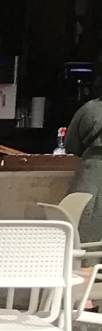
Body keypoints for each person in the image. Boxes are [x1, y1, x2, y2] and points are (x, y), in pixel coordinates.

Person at [62, 92, 102, 245]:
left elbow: (71, 145)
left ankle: (86, 265)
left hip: (91, 172)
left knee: (86, 226)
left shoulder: (90, 109)